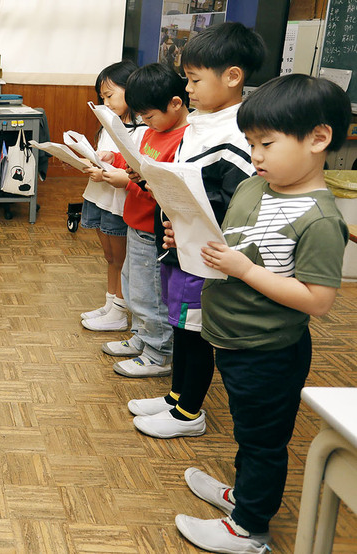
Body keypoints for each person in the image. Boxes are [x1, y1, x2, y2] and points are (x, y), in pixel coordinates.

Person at [170, 73, 351, 554]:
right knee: (247, 428)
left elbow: (317, 299)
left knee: (264, 440)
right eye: (251, 143)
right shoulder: (256, 187)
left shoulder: (320, 219)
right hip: (230, 336)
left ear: (319, 138)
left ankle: (251, 528)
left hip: (269, 349)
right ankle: (244, 496)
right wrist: (191, 243)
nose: (256, 156)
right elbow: (232, 244)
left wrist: (245, 271)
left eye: (267, 143)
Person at [127, 22, 264, 439]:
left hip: (205, 255)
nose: (188, 89)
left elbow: (233, 203)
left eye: (194, 79)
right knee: (179, 323)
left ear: (233, 77)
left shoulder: (238, 130)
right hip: (179, 242)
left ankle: (189, 412)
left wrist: (187, 225)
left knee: (195, 329)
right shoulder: (203, 121)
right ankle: (174, 397)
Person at [89, 63, 189, 378]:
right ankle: (142, 339)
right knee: (134, 290)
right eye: (142, 117)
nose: (145, 123)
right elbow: (139, 160)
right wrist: (117, 160)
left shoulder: (182, 139)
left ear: (176, 103)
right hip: (136, 223)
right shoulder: (156, 131)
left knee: (151, 296)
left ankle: (159, 354)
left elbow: (162, 186)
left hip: (153, 227)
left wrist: (129, 181)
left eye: (149, 116)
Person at [79, 61, 146, 332]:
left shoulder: (142, 130)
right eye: (102, 97)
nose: (105, 102)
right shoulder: (109, 122)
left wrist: (111, 170)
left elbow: (136, 169)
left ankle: (119, 310)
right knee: (109, 256)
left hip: (120, 200)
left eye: (110, 95)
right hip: (100, 195)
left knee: (121, 258)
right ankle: (110, 304)